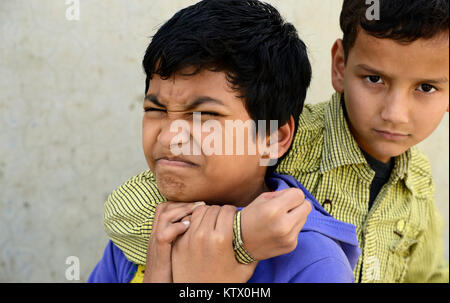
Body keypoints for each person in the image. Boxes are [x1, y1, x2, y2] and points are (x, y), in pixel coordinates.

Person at [96, 0, 449, 283]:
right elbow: (130, 206)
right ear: (340, 66)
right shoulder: (281, 136)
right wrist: (239, 237)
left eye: (426, 87)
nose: (395, 113)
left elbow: (427, 273)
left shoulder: (417, 181)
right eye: (374, 78)